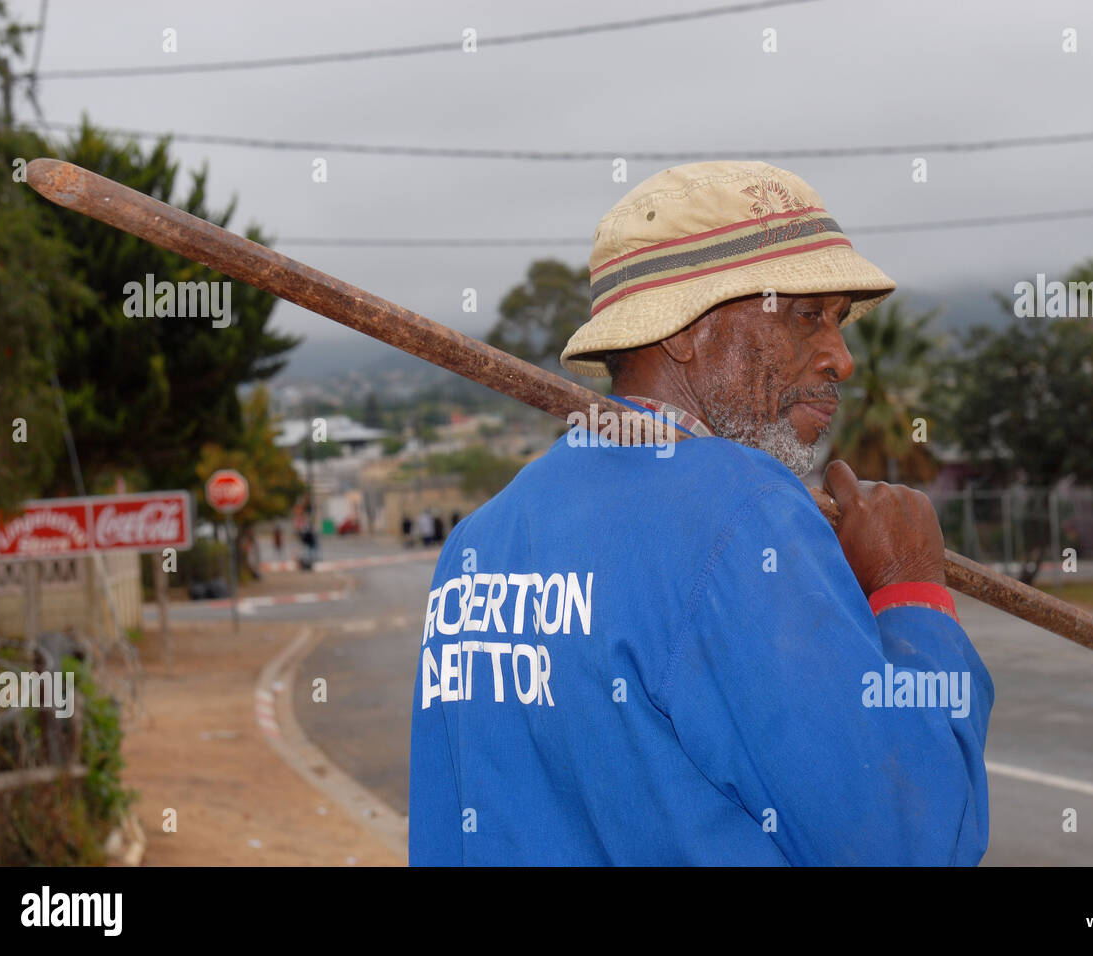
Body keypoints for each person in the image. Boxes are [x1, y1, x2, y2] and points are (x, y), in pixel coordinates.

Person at [409, 161, 992, 866]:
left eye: (838, 322)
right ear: (685, 330)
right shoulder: (744, 510)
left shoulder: (480, 541)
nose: (841, 358)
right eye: (807, 316)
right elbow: (910, 841)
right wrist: (909, 588)